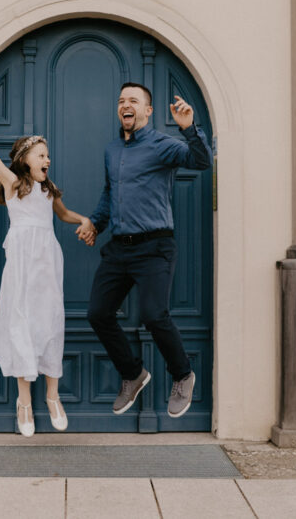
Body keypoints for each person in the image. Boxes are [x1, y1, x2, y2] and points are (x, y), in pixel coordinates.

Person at [76, 82, 213, 419]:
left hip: (154, 247)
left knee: (153, 315)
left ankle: (183, 375)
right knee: (98, 313)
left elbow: (201, 161)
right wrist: (96, 224)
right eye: (122, 100)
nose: (126, 105)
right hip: (119, 249)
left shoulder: (162, 145)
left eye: (134, 101)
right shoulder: (112, 151)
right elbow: (110, 193)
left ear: (148, 111)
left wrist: (189, 129)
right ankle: (133, 374)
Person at [0, 78, 92, 437]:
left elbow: (63, 215)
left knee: (50, 322)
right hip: (22, 263)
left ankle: (52, 396)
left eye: (48, 156)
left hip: (47, 262)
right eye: (41, 155)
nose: (47, 160)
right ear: (24, 160)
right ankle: (23, 403)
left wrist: (84, 220)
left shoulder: (48, 190)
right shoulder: (12, 185)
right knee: (22, 323)